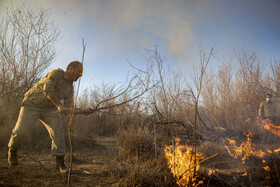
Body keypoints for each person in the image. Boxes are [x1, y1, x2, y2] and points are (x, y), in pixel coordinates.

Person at [7, 61, 92, 173]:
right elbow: (48, 91)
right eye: (78, 71)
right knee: (20, 131)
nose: (80, 75)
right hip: (31, 104)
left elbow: (68, 107)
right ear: (70, 68)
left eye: (81, 73)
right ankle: (12, 150)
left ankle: (60, 163)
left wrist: (82, 110)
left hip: (49, 109)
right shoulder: (56, 73)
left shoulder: (70, 87)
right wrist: (59, 105)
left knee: (58, 132)